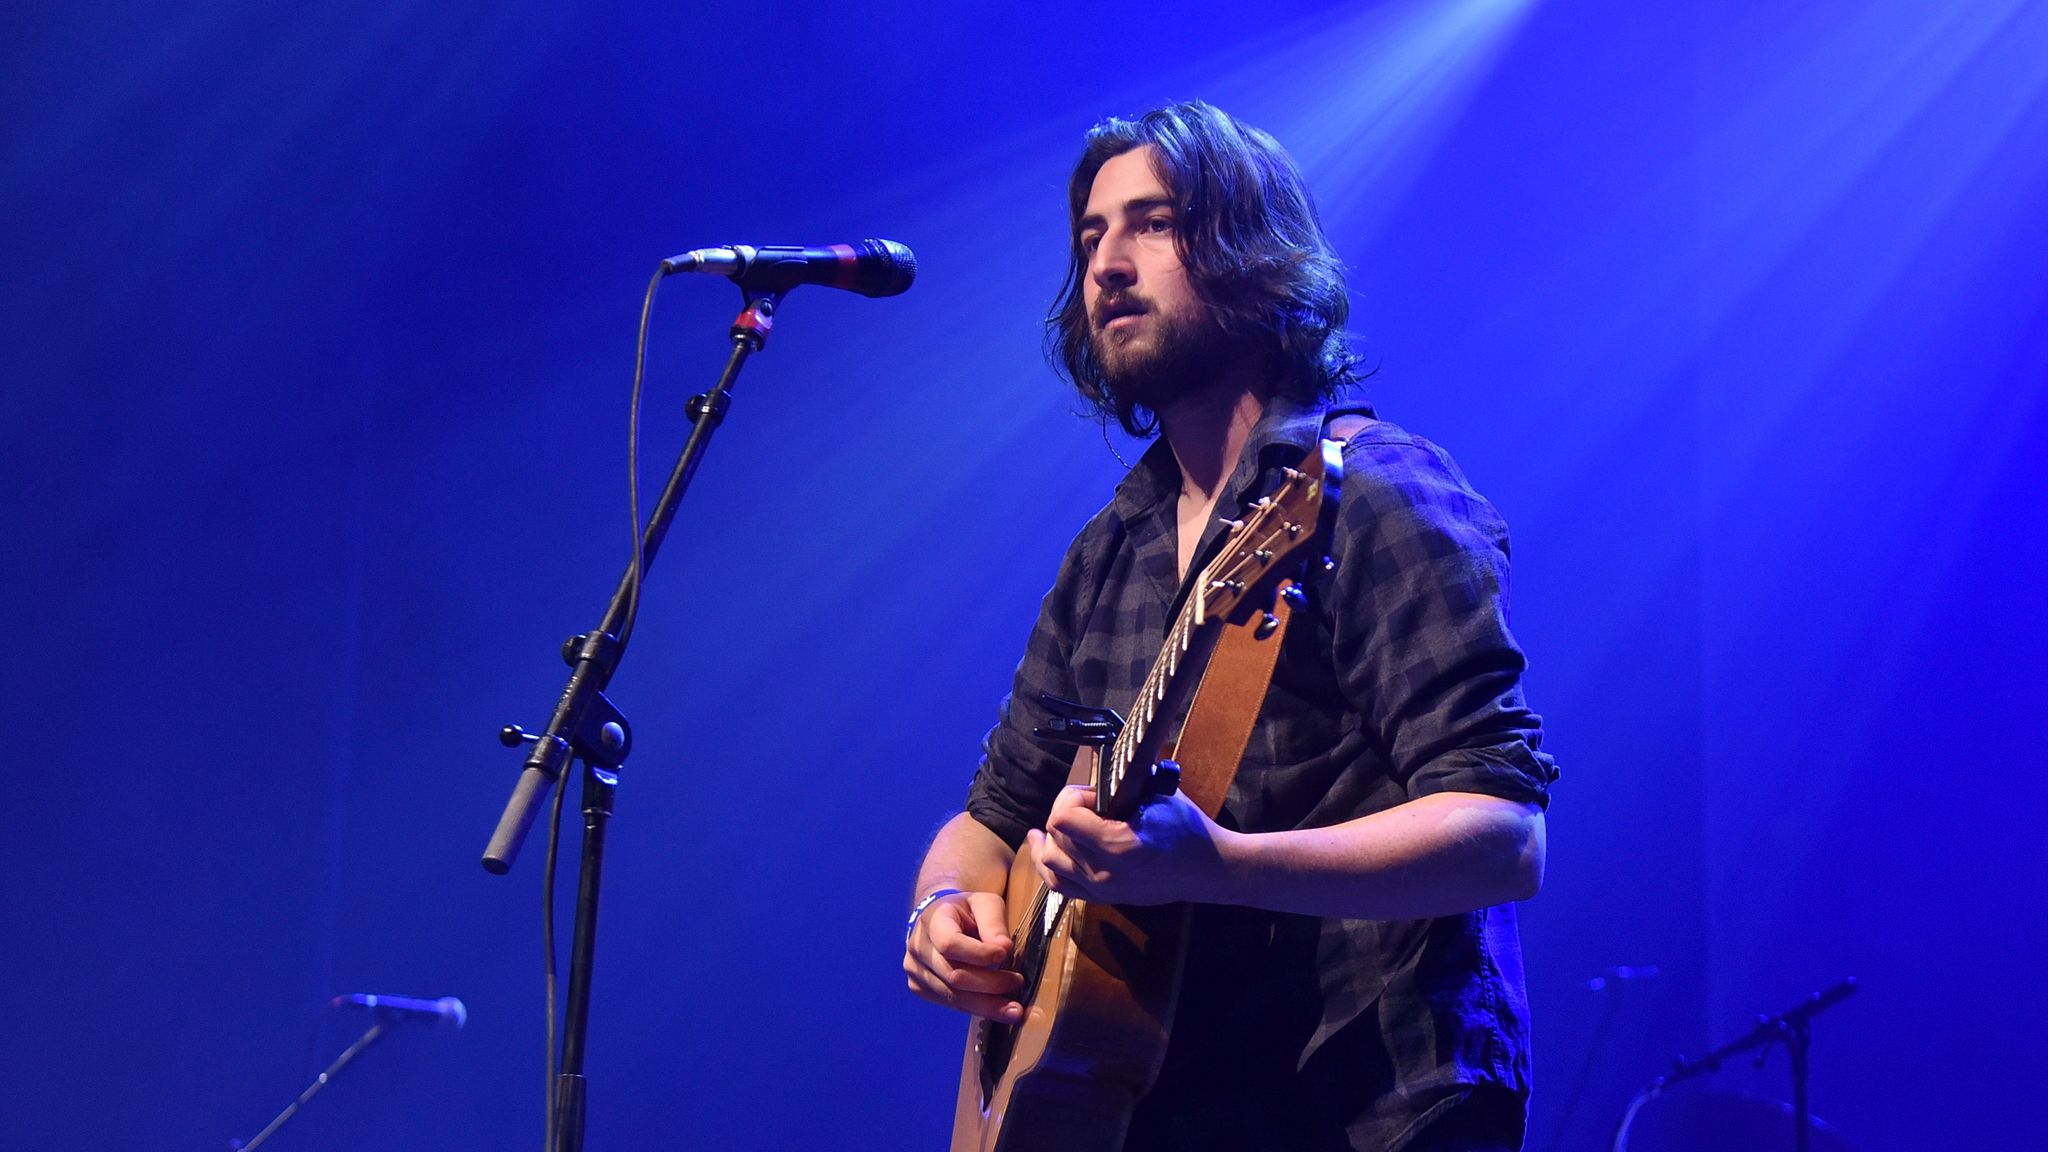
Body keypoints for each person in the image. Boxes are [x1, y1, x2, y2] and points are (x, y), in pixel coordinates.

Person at [902, 101, 1558, 1152]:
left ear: (1250, 255)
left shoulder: (1374, 496)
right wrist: (939, 911)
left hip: (1363, 1105)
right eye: (1088, 238)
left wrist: (1216, 863)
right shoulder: (1109, 550)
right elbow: (988, 823)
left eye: (1151, 224)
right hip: (1162, 1113)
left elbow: (1499, 835)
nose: (1106, 265)